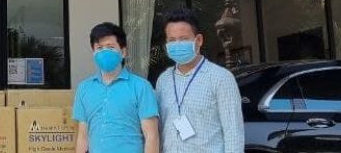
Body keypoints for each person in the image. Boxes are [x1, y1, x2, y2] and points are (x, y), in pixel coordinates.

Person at [155, 8, 244, 153]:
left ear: (199, 40)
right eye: (172, 40)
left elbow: (233, 133)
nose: (177, 44)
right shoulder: (163, 80)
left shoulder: (221, 78)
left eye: (183, 39)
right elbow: (159, 129)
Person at [73, 22, 159, 153]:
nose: (104, 52)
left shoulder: (141, 87)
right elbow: (83, 136)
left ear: (123, 52)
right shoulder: (84, 88)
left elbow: (151, 136)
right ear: (93, 52)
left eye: (110, 47)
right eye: (99, 48)